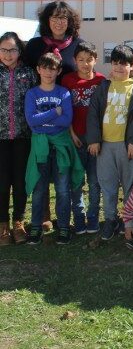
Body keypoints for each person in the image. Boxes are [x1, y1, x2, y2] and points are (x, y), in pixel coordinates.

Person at [87, 45, 133, 241]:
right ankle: (110, 220)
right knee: (108, 186)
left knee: (130, 185)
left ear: (132, 66)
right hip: (105, 146)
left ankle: (129, 220)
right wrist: (94, 139)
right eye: (115, 63)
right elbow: (93, 115)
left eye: (124, 64)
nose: (119, 67)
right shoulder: (103, 87)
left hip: (126, 147)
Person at [24, 52, 83, 245]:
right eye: (45, 68)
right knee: (39, 190)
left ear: (58, 71)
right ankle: (35, 227)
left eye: (53, 69)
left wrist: (48, 120)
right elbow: (32, 122)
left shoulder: (63, 93)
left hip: (60, 146)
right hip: (40, 147)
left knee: (63, 189)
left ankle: (64, 227)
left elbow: (66, 120)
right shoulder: (32, 94)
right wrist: (54, 112)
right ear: (38, 69)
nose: (49, 72)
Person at [61, 41, 105, 235]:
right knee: (76, 181)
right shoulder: (68, 81)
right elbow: (65, 110)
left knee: (95, 181)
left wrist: (98, 138)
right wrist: (71, 134)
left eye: (89, 60)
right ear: (75, 61)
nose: (85, 64)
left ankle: (93, 217)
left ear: (95, 60)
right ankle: (79, 218)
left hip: (96, 140)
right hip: (75, 138)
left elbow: (105, 113)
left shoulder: (102, 81)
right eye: (81, 60)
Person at [0, 32, 37, 245]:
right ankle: (2, 225)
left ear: (19, 51)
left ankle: (18, 222)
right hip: (1, 138)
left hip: (24, 136)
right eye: (4, 49)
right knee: (2, 183)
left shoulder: (29, 73)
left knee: (20, 182)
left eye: (12, 49)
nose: (8, 54)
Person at [24, 1, 84, 79]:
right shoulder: (33, 45)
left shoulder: (79, 46)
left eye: (63, 18)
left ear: (69, 21)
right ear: (47, 20)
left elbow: (87, 73)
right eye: (54, 17)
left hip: (69, 91)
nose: (59, 22)